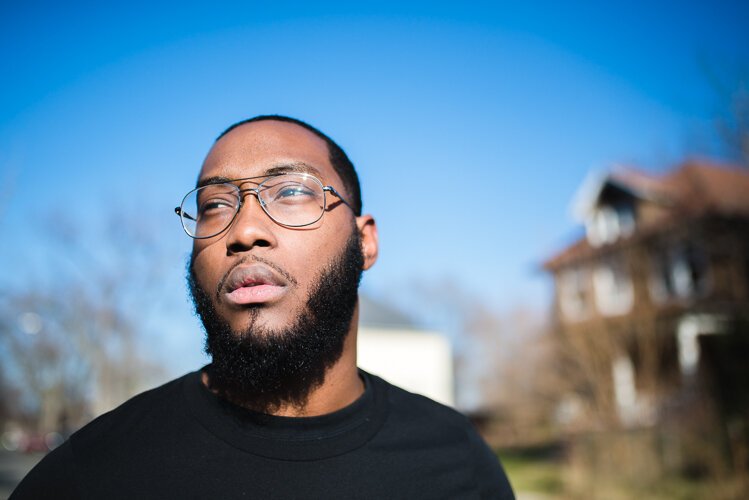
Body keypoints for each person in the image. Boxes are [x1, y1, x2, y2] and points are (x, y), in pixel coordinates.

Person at [12, 115, 515, 499]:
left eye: (291, 191)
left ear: (365, 243)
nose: (245, 230)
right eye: (215, 204)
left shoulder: (457, 462)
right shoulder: (96, 472)